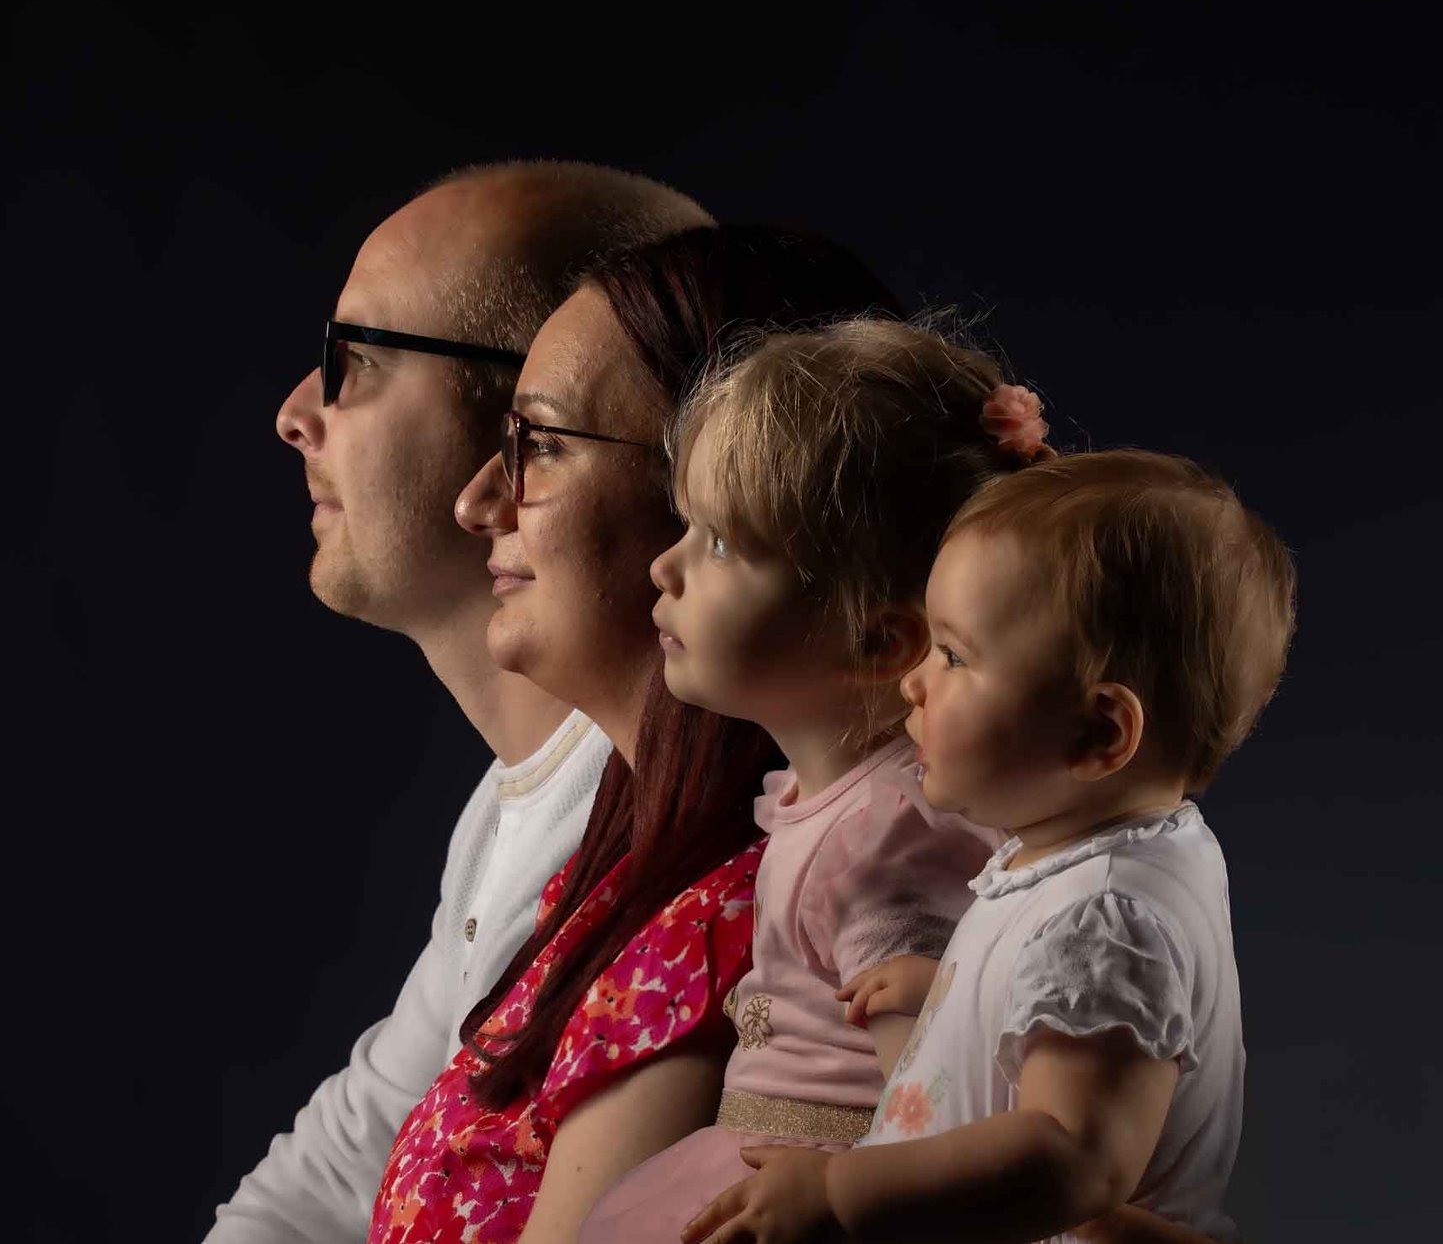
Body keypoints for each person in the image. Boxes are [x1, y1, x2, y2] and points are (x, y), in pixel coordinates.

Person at [367, 224, 907, 1244]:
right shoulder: (619, 884)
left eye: (543, 442)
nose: (479, 498)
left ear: (732, 496)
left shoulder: (750, 928)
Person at [211, 161, 714, 1244]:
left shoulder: (707, 853)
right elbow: (338, 1166)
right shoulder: (512, 807)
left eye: (360, 360)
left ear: (538, 413)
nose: (299, 411)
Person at [684, 445, 1296, 1244]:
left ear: (1098, 731)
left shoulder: (1106, 917)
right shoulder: (1094, 855)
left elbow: (1075, 1155)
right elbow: (1069, 1033)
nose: (913, 680)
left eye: (953, 653)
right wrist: (951, 992)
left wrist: (841, 1189)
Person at [577, 319, 1054, 1243]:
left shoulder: (886, 838)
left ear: (878, 640)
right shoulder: (846, 808)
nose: (664, 565)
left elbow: (931, 1096)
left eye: (719, 544)